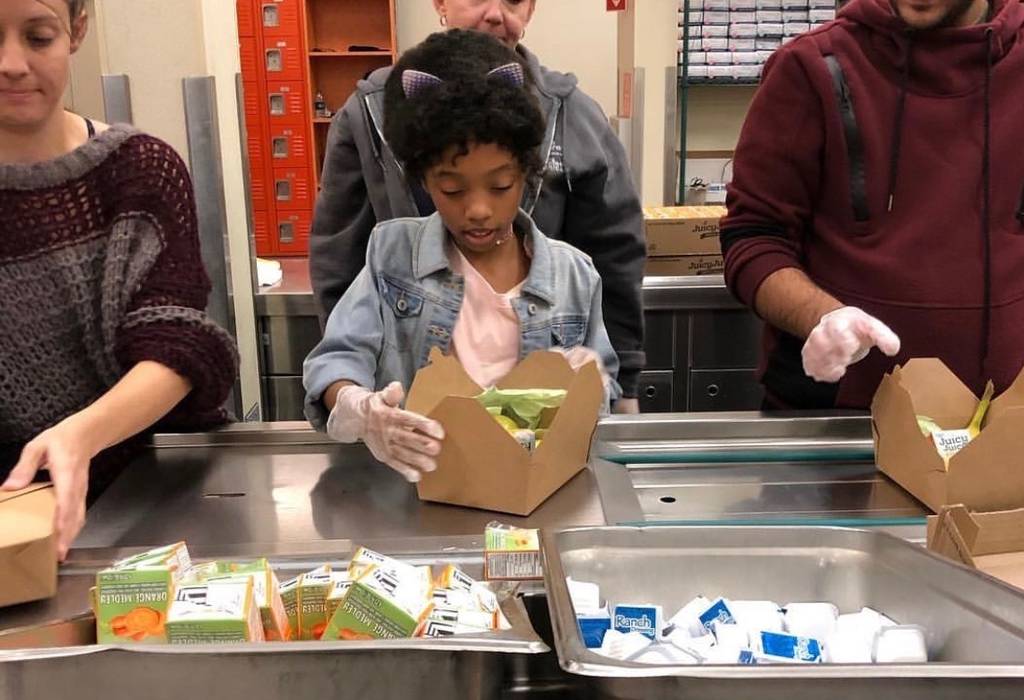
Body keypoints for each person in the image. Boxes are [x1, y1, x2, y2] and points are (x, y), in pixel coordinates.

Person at [303, 30, 621, 484]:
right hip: (420, 488)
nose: (477, 209)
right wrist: (360, 407)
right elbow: (336, 361)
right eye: (452, 189)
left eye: (500, 186)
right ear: (424, 180)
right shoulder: (391, 258)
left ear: (527, 175)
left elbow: (604, 386)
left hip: (530, 489)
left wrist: (590, 386)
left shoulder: (574, 276)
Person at [721, 0, 1024, 409]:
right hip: (835, 423)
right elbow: (753, 237)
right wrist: (822, 317)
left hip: (1002, 421)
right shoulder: (812, 66)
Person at [0, 0, 239, 559]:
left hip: (153, 493)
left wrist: (78, 437)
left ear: (76, 31)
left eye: (37, 38)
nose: (11, 63)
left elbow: (179, 342)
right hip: (15, 518)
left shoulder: (140, 171)